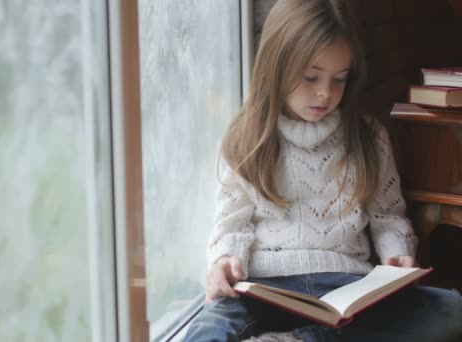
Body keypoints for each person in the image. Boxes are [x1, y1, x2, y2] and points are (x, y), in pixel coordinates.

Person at [183, 0, 462, 341]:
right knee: (208, 327)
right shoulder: (248, 137)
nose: (325, 93)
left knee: (450, 310)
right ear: (277, 66)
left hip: (345, 286)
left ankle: (298, 339)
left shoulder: (368, 137)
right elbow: (231, 221)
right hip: (264, 286)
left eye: (339, 79)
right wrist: (225, 260)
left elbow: (388, 216)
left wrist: (398, 254)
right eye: (311, 77)